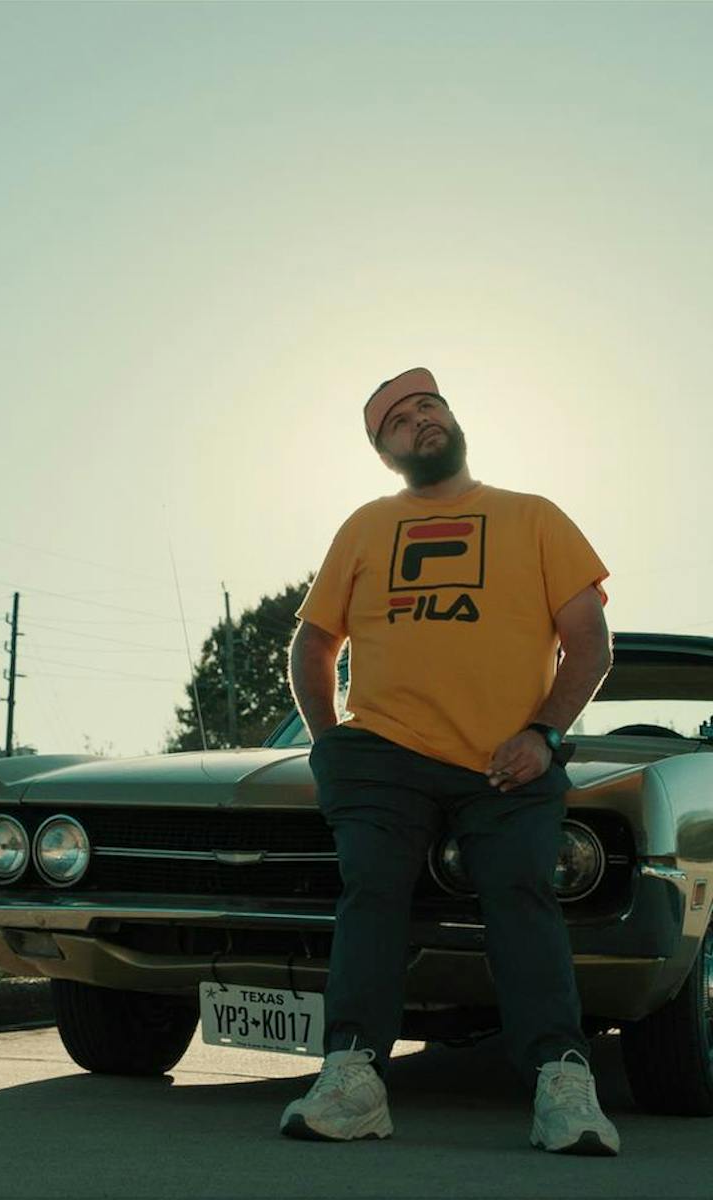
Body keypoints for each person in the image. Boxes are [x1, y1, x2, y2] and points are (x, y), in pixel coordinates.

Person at [282, 367, 620, 1156]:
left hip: (510, 762)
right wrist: (328, 742)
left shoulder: (533, 517)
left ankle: (562, 1084)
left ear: (455, 418)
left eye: (428, 405)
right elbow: (312, 643)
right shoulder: (365, 525)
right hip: (382, 754)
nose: (418, 420)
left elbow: (591, 640)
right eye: (397, 420)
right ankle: (353, 1075)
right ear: (384, 452)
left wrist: (543, 734)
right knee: (371, 889)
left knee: (522, 892)